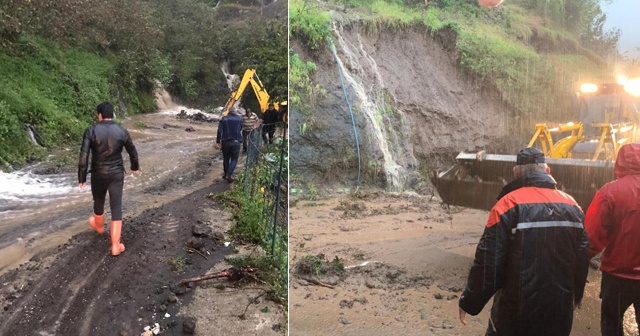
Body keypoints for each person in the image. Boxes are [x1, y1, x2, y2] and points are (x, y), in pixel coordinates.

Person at [458, 147, 589, 336]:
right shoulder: (573, 206)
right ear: (547, 171)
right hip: (559, 314)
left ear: (515, 172)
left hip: (515, 316)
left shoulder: (506, 205)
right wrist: (576, 296)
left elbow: (489, 263)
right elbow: (582, 258)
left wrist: (469, 301)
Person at [584, 143, 640, 336]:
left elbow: (592, 234)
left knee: (611, 324)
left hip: (616, 277)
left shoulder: (610, 192)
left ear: (620, 163)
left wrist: (582, 259)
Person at [78, 102, 139, 256]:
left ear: (99, 115)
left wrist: (82, 177)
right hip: (116, 174)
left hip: (98, 173)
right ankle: (115, 245)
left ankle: (99, 227)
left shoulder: (91, 131)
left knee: (98, 201)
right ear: (112, 115)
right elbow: (132, 150)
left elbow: (83, 157)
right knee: (116, 207)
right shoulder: (121, 131)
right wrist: (134, 167)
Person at [216, 106, 243, 182]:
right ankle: (228, 175)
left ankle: (225, 174)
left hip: (225, 141)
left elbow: (219, 131)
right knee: (234, 159)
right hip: (236, 141)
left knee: (226, 159)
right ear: (235, 111)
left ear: (229, 111)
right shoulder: (240, 119)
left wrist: (218, 141)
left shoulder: (224, 119)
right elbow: (240, 129)